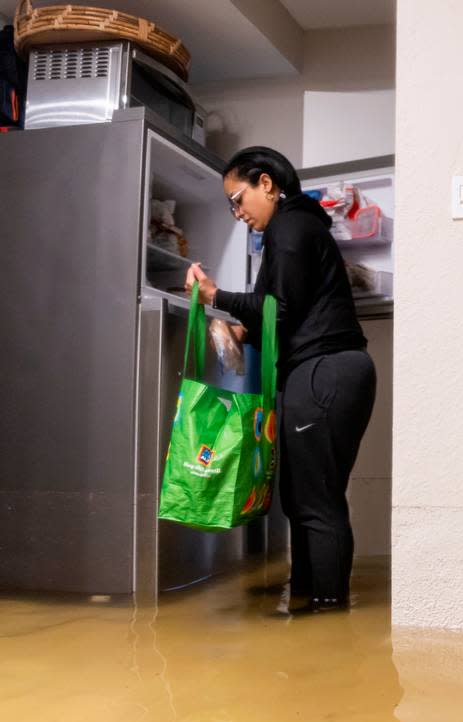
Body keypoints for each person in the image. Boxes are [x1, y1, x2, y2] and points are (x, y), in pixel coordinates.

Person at [185, 146, 376, 613]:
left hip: (323, 371)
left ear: (266, 183)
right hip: (324, 370)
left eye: (238, 199)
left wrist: (215, 294)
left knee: (315, 500)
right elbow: (281, 316)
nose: (237, 213)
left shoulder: (290, 226)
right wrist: (241, 329)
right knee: (303, 498)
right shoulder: (296, 228)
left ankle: (329, 610)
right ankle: (310, 602)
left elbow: (281, 309)